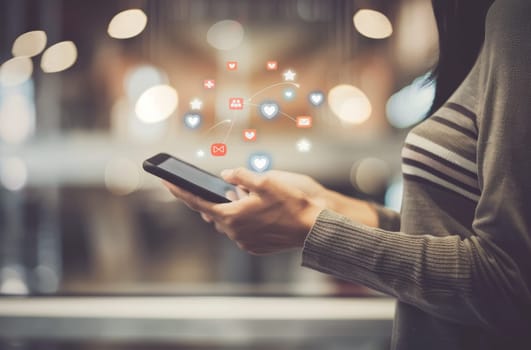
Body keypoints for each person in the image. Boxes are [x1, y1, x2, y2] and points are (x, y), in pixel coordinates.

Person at [164, 0, 531, 348]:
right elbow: (457, 236)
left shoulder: (515, 17)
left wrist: (311, 228)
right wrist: (327, 204)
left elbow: (510, 283)